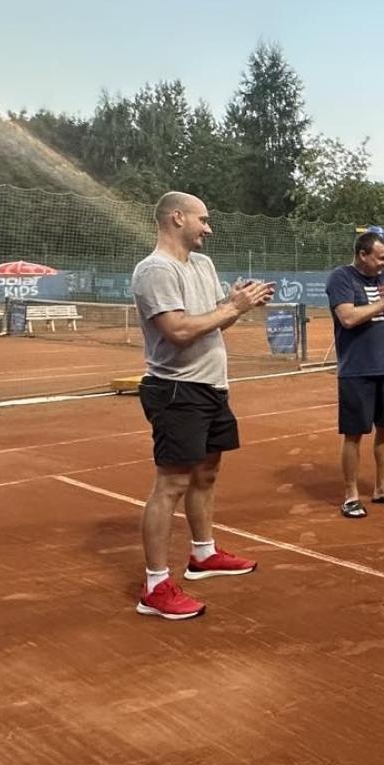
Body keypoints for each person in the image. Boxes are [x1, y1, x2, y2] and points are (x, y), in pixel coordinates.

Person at [130, 191, 273, 621]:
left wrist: (235, 304)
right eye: (202, 219)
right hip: (176, 390)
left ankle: (203, 555)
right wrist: (232, 307)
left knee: (207, 474)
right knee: (170, 484)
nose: (208, 228)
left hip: (213, 387)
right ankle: (154, 586)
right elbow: (177, 330)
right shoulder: (154, 270)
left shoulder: (203, 265)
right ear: (177, 218)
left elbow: (214, 315)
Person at [328, 231, 384, 518]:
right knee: (354, 433)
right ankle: (351, 494)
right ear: (363, 255)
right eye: (380, 257)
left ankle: (383, 488)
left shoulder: (383, 280)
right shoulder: (342, 278)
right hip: (356, 370)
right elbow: (348, 318)